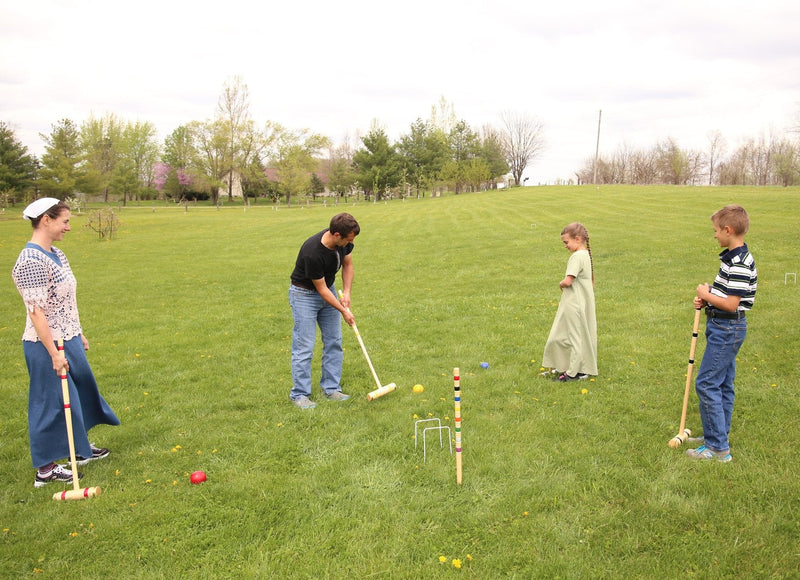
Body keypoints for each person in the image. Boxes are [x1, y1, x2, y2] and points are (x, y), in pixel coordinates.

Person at [11, 198, 120, 488]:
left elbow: (66, 300)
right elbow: (37, 313)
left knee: (81, 390)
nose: (68, 227)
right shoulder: (31, 261)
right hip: (45, 342)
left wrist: (78, 331)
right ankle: (45, 469)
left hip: (67, 335)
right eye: (65, 221)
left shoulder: (56, 253)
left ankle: (79, 448)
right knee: (51, 402)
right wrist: (53, 354)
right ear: (46, 220)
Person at [687, 204, 757, 462]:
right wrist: (707, 299)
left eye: (716, 230)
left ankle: (717, 448)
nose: (714, 235)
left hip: (727, 328)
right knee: (723, 384)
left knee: (706, 383)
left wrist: (707, 295)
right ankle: (717, 435)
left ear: (728, 230)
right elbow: (725, 296)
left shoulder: (738, 263)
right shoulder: (732, 258)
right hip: (724, 327)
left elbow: (731, 304)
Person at [289, 213, 360, 409]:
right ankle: (299, 395)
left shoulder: (343, 244)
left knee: (334, 341)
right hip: (304, 295)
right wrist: (343, 310)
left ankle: (331, 388)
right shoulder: (313, 252)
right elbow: (320, 290)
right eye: (349, 239)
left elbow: (348, 264)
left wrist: (346, 292)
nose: (351, 243)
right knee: (304, 347)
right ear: (337, 235)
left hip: (327, 289)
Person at [541, 222, 598, 382]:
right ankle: (564, 365)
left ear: (578, 239)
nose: (565, 246)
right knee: (563, 334)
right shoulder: (585, 254)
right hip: (579, 303)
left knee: (573, 336)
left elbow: (568, 281)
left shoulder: (576, 257)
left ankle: (574, 372)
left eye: (566, 242)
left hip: (574, 303)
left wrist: (560, 284)